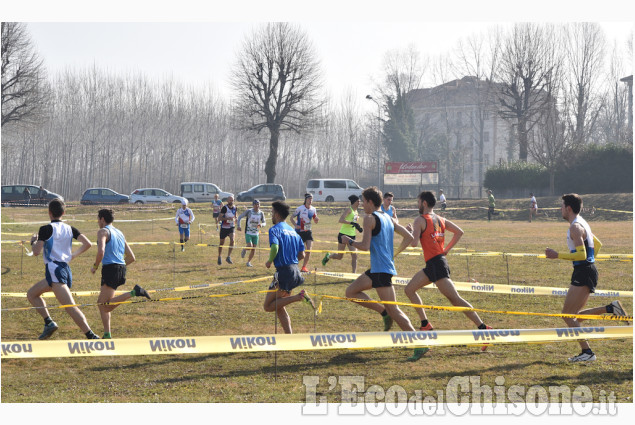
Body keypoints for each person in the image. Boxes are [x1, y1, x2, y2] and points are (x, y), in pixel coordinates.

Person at [404, 191, 492, 360]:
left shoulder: (419, 220)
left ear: (423, 203)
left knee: (455, 300)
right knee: (409, 290)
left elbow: (414, 243)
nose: (417, 204)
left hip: (437, 264)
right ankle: (426, 325)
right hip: (433, 264)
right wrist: (446, 250)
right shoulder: (440, 219)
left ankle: (483, 328)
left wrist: (409, 232)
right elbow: (459, 232)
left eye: (417, 201)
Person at [340, 187, 425, 362]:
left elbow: (364, 246)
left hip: (381, 271)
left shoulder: (369, 218)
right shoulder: (388, 217)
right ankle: (383, 312)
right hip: (378, 269)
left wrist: (348, 240)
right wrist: (394, 255)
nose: (361, 204)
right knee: (350, 292)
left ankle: (419, 343)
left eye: (363, 201)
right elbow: (410, 238)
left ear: (370, 202)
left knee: (394, 309)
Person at [545, 193, 628, 362]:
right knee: (574, 316)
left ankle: (587, 352)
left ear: (568, 208)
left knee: (567, 315)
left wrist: (557, 255)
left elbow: (582, 254)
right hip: (587, 270)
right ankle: (610, 309)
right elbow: (597, 244)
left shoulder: (575, 227)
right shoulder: (582, 223)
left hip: (583, 271)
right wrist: (590, 262)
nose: (560, 209)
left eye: (562, 206)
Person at [26, 198, 100, 340]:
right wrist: (72, 256)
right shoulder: (70, 228)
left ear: (49, 212)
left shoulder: (46, 229)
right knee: (31, 294)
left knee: (70, 306)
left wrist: (33, 241)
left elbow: (36, 251)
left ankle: (91, 335)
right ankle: (49, 322)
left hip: (55, 270)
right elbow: (88, 244)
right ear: (63, 212)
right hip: (64, 270)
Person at [90, 208, 151, 339]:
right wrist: (120, 266)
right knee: (103, 302)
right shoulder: (119, 233)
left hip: (110, 269)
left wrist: (95, 266)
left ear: (102, 219)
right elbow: (131, 257)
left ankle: (135, 292)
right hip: (120, 268)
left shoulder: (103, 231)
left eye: (98, 219)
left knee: (104, 306)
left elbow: (100, 252)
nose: (97, 222)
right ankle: (107, 334)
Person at [264, 201, 315, 334]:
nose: (271, 216)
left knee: (268, 306)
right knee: (279, 305)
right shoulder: (293, 231)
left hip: (284, 273)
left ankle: (299, 297)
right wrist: (291, 262)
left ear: (277, 214)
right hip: (295, 272)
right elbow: (302, 255)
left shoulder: (274, 230)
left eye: (272, 213)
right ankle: (289, 336)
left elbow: (275, 247)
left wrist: (269, 261)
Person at [321, 194, 361, 273]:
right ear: (354, 202)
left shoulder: (356, 211)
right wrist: (352, 223)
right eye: (358, 201)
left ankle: (353, 274)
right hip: (343, 235)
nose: (360, 202)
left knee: (354, 255)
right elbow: (341, 220)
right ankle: (328, 256)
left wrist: (357, 227)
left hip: (352, 235)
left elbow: (354, 222)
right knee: (339, 256)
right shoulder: (349, 210)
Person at [290, 193, 319, 272]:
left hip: (308, 231)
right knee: (299, 252)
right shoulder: (300, 208)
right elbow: (291, 218)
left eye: (311, 199)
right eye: (309, 199)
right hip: (299, 232)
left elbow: (314, 220)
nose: (310, 201)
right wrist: (295, 225)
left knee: (309, 250)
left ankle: (304, 267)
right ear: (306, 199)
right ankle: (292, 264)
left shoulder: (313, 209)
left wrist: (316, 219)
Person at [237, 199, 266, 267]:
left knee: (253, 249)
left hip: (256, 233)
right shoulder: (249, 211)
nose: (257, 206)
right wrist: (239, 225)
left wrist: (261, 225)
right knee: (250, 246)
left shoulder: (261, 213)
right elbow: (240, 217)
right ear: (253, 205)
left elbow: (264, 222)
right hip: (248, 232)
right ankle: (244, 249)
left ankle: (248, 262)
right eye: (256, 204)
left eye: (258, 204)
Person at [218, 195, 237, 264]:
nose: (231, 202)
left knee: (232, 240)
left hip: (231, 227)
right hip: (224, 228)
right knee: (221, 243)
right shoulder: (224, 208)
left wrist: (236, 219)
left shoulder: (235, 207)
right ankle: (219, 256)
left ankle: (228, 257)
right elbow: (219, 218)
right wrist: (227, 219)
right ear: (227, 201)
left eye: (232, 200)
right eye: (230, 200)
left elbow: (235, 216)